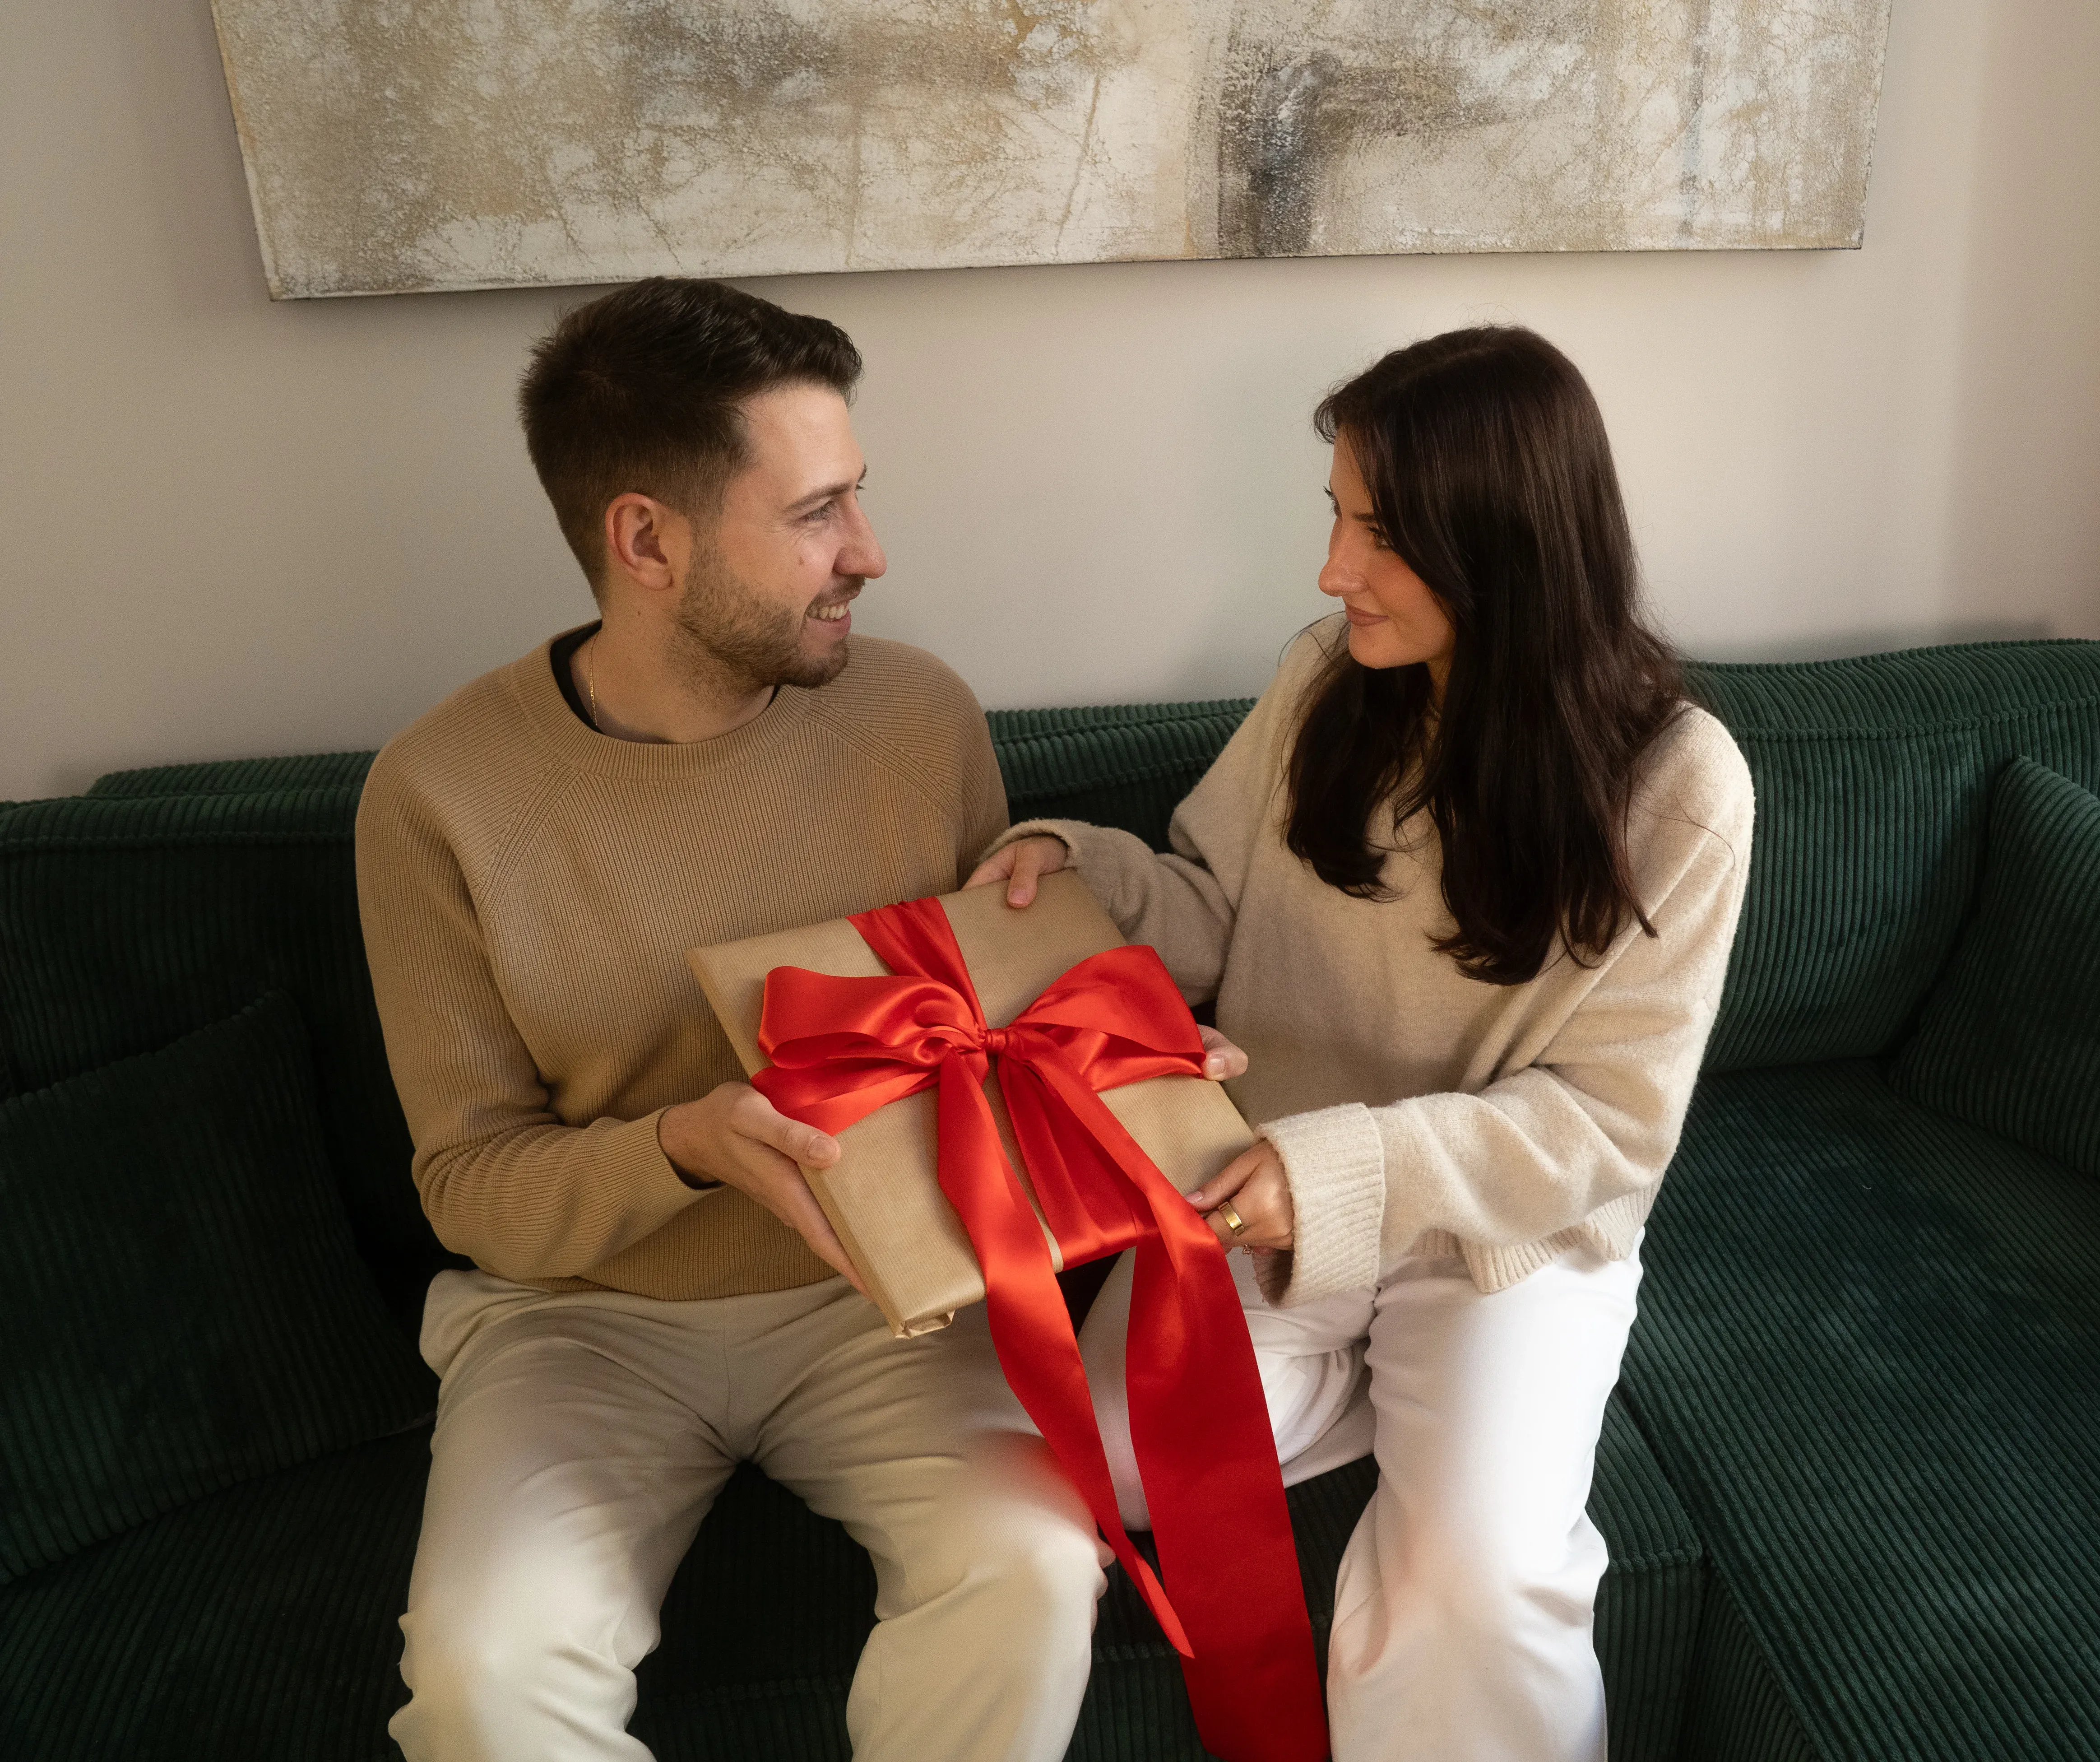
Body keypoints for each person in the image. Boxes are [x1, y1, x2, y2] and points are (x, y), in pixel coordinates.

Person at [357, 277, 1140, 1762]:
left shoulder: (918, 717)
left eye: (858, 497)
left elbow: (989, 1049)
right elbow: (469, 1182)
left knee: (1036, 1568)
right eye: (817, 513)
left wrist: (1132, 1047)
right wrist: (681, 1145)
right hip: (581, 1321)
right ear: (645, 539)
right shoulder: (436, 796)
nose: (870, 552)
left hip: (878, 1299)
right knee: (484, 1675)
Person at [969, 325, 1756, 1762]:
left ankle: (1436, 1427)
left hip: (1500, 1243)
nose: (1333, 568)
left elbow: (1605, 1126)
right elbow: (1206, 901)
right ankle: (1383, 1407)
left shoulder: (1679, 781)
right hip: (1254, 1205)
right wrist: (1069, 864)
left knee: (1474, 1582)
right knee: (1086, 1472)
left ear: (1503, 538)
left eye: (1376, 531)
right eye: (1334, 515)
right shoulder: (1327, 679)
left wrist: (1332, 1177)